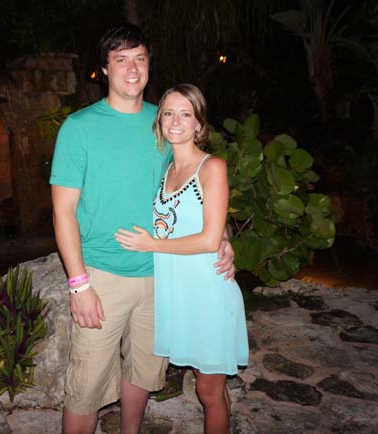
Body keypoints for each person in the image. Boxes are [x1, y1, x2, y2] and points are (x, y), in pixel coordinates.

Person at [50, 24, 236, 434]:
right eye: (121, 60)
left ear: (149, 65)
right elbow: (63, 211)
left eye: (140, 58)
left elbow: (196, 181)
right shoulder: (79, 128)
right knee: (85, 387)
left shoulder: (165, 122)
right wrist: (79, 284)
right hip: (102, 275)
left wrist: (221, 238)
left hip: (161, 277)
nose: (132, 69)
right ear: (104, 68)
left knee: (144, 373)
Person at [114, 84, 249, 434]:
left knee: (208, 390)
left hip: (207, 293)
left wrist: (152, 245)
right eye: (168, 113)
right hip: (178, 294)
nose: (176, 121)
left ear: (199, 123)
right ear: (159, 121)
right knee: (209, 386)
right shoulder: (164, 170)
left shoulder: (211, 167)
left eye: (185, 114)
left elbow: (208, 239)